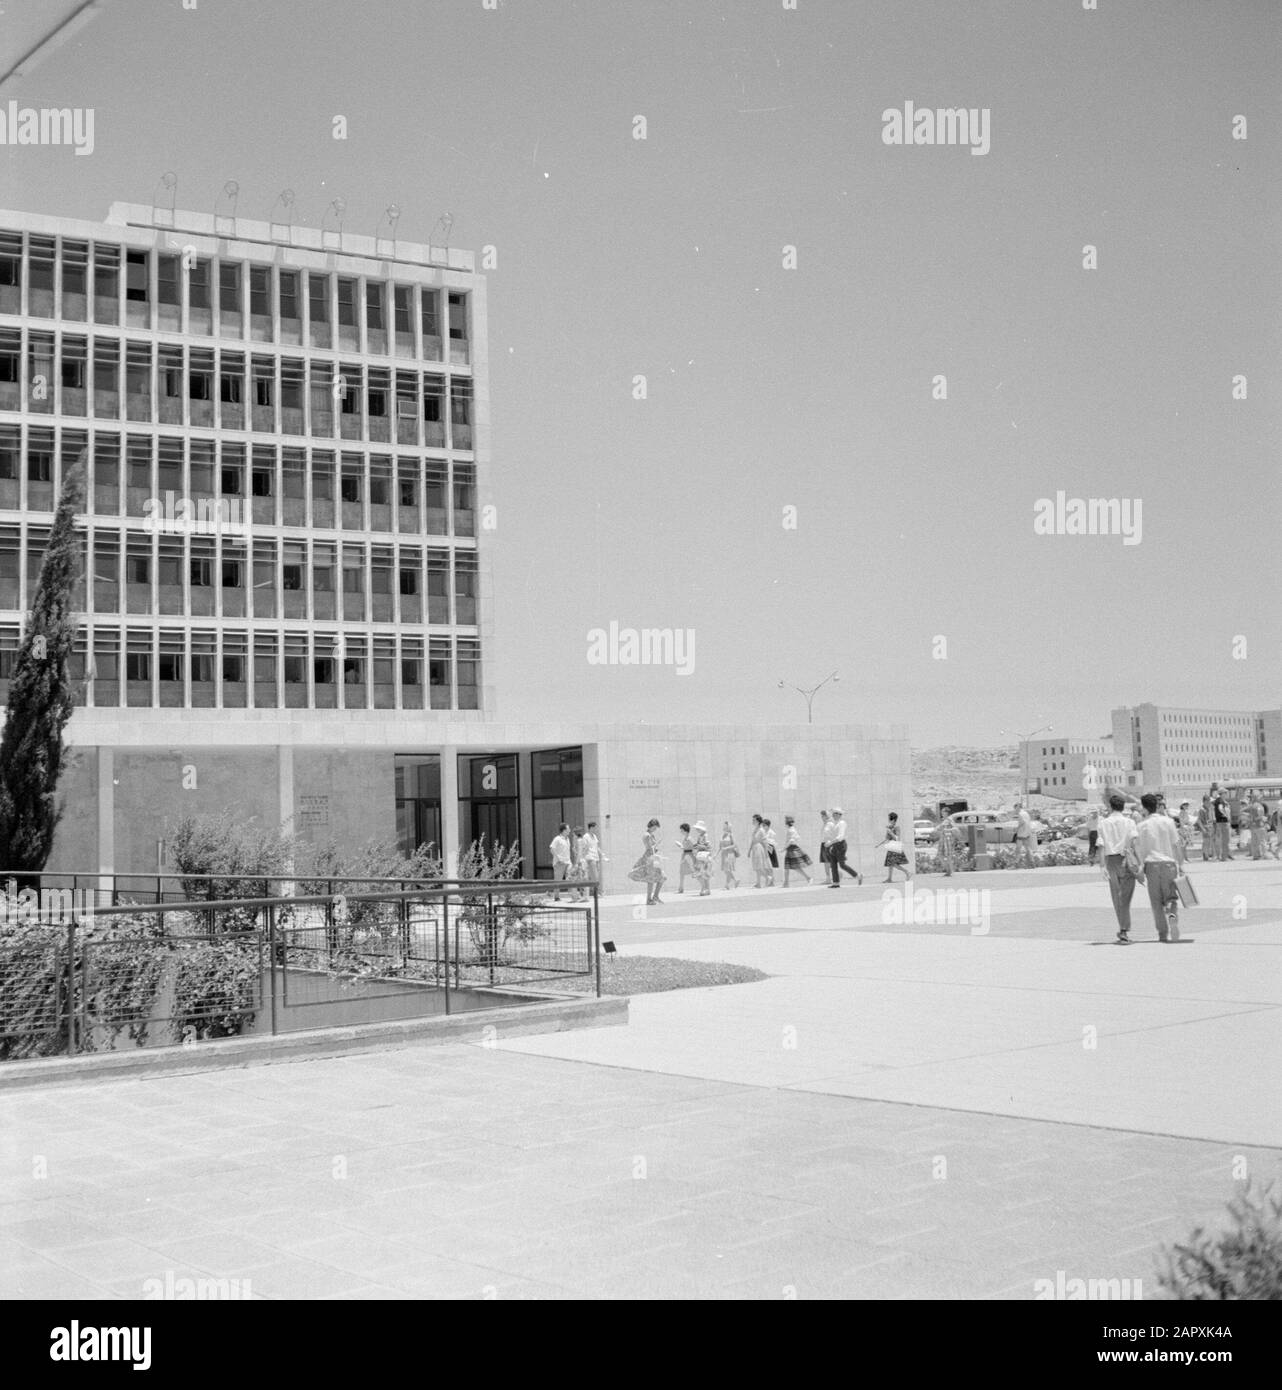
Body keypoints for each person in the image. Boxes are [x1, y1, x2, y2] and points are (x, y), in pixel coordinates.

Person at [1136, 792, 1185, 942]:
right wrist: (1180, 864)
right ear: (1157, 806)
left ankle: (1162, 933)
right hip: (1169, 863)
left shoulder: (1141, 826)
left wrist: (1140, 868)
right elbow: (1176, 844)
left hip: (1151, 865)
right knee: (1171, 897)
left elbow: (1140, 849)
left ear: (1144, 808)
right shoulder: (1168, 822)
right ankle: (1172, 916)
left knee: (1156, 901)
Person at [1100, 792, 1141, 944]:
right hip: (1126, 859)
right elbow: (1135, 842)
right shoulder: (1129, 822)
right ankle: (1124, 929)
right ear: (1123, 807)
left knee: (1116, 897)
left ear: (1110, 807)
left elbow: (1101, 845)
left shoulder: (1103, 823)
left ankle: (1123, 928)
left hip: (1111, 861)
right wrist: (1140, 862)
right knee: (1126, 897)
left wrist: (1102, 865)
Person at [827, 806, 862, 886]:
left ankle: (857, 876)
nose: (833, 815)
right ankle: (836, 882)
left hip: (841, 845)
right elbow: (833, 835)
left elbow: (840, 836)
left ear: (840, 815)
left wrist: (830, 843)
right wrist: (831, 843)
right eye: (833, 813)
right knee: (833, 864)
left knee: (842, 865)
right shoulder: (834, 823)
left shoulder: (842, 823)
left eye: (836, 813)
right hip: (834, 845)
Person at [636, 818, 665, 905]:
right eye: (655, 827)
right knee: (651, 879)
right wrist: (656, 845)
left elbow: (652, 848)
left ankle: (655, 896)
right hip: (650, 858)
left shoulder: (651, 835)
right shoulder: (647, 835)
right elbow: (649, 848)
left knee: (662, 877)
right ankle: (649, 899)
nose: (655, 829)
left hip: (653, 857)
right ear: (651, 826)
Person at [879, 812, 911, 883]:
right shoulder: (889, 827)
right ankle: (889, 878)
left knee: (893, 864)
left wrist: (890, 832)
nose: (888, 820)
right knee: (890, 864)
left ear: (893, 819)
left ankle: (907, 872)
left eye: (889, 818)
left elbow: (897, 839)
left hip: (895, 848)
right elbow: (887, 838)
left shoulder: (897, 827)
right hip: (891, 847)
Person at [782, 815, 813, 886]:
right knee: (788, 867)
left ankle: (808, 878)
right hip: (791, 849)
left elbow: (791, 840)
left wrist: (784, 848)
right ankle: (786, 883)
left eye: (785, 821)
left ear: (787, 822)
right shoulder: (792, 829)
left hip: (792, 849)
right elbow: (797, 838)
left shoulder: (791, 830)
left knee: (794, 867)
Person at [690, 821, 713, 896]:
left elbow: (707, 847)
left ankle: (705, 889)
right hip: (700, 856)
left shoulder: (705, 836)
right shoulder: (700, 836)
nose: (697, 830)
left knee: (704, 873)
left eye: (698, 828)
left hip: (704, 856)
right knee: (700, 874)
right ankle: (705, 889)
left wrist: (699, 846)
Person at [748, 814, 772, 888]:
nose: (753, 821)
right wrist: (749, 850)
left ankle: (767, 877)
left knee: (758, 866)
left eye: (754, 820)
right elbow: (752, 840)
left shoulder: (761, 830)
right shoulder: (755, 830)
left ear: (758, 821)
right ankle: (758, 883)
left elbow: (765, 841)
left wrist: (766, 852)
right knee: (756, 866)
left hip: (759, 848)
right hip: (755, 848)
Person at [1210, 784, 1232, 861]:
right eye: (1225, 793)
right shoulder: (1220, 801)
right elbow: (1220, 809)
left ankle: (1220, 856)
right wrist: (1226, 815)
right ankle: (1223, 857)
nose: (1226, 795)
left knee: (1220, 840)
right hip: (1222, 822)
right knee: (1224, 840)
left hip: (1219, 822)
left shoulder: (1218, 801)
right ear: (1222, 794)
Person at [1012, 802, 1036, 869]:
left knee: (1018, 849)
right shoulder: (1026, 813)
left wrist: (1016, 828)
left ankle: (1016, 864)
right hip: (1027, 833)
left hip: (1021, 833)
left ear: (1018, 807)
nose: (1015, 810)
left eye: (1015, 808)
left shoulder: (1020, 814)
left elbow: (1022, 822)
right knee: (1027, 848)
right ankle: (1032, 863)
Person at [579, 821, 602, 890]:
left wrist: (602, 855)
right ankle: (596, 892)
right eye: (594, 828)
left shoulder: (594, 836)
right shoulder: (586, 836)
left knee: (596, 875)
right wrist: (583, 858)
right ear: (591, 828)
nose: (595, 829)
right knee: (595, 876)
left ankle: (593, 891)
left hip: (596, 857)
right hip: (590, 857)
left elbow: (597, 847)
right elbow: (584, 848)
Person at [674, 822, 696, 894]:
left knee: (693, 872)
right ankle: (681, 888)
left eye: (681, 830)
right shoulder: (686, 838)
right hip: (685, 855)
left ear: (685, 830)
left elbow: (694, 846)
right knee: (682, 872)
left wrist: (681, 846)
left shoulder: (689, 838)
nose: (681, 832)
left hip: (689, 856)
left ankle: (681, 888)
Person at [719, 821, 740, 889]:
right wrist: (716, 855)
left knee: (728, 869)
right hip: (724, 854)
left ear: (728, 827)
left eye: (725, 825)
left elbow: (734, 845)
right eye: (723, 825)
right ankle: (731, 882)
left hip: (730, 854)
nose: (724, 826)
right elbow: (720, 847)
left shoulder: (731, 835)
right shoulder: (723, 835)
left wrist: (726, 848)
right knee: (726, 870)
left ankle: (731, 882)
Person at [1249, 795, 1269, 860]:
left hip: (1253, 826)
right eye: (1261, 798)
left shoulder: (1252, 806)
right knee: (1263, 841)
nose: (1262, 799)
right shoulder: (1259, 806)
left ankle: (1256, 856)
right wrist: (1263, 818)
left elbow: (1251, 817)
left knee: (1255, 842)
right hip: (1259, 825)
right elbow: (1259, 815)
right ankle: (1265, 855)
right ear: (1258, 798)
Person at [818, 810, 831, 877]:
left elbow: (833, 834)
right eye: (822, 815)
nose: (822, 817)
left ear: (827, 816)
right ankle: (828, 878)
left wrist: (830, 841)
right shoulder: (824, 824)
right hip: (823, 844)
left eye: (823, 815)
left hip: (829, 844)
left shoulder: (830, 824)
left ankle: (838, 874)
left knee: (829, 862)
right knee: (826, 862)